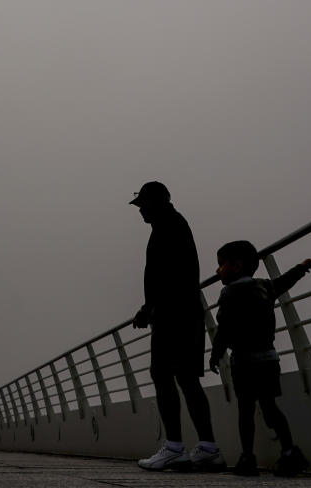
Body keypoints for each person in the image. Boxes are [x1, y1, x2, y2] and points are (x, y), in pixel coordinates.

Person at [129, 181, 225, 471]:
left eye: (142, 204)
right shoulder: (173, 224)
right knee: (186, 378)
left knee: (161, 374)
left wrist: (150, 308)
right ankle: (208, 448)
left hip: (172, 314)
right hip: (186, 312)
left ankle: (174, 448)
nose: (140, 211)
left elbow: (168, 275)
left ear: (157, 201)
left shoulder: (168, 226)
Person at [209, 240, 311, 476]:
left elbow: (224, 330)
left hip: (243, 362)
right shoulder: (265, 286)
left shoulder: (228, 294)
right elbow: (285, 281)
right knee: (270, 408)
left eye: (220, 265)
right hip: (268, 359)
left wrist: (216, 355)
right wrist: (301, 268)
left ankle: (247, 457)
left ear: (235, 266)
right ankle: (289, 453)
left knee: (245, 411)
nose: (217, 271)